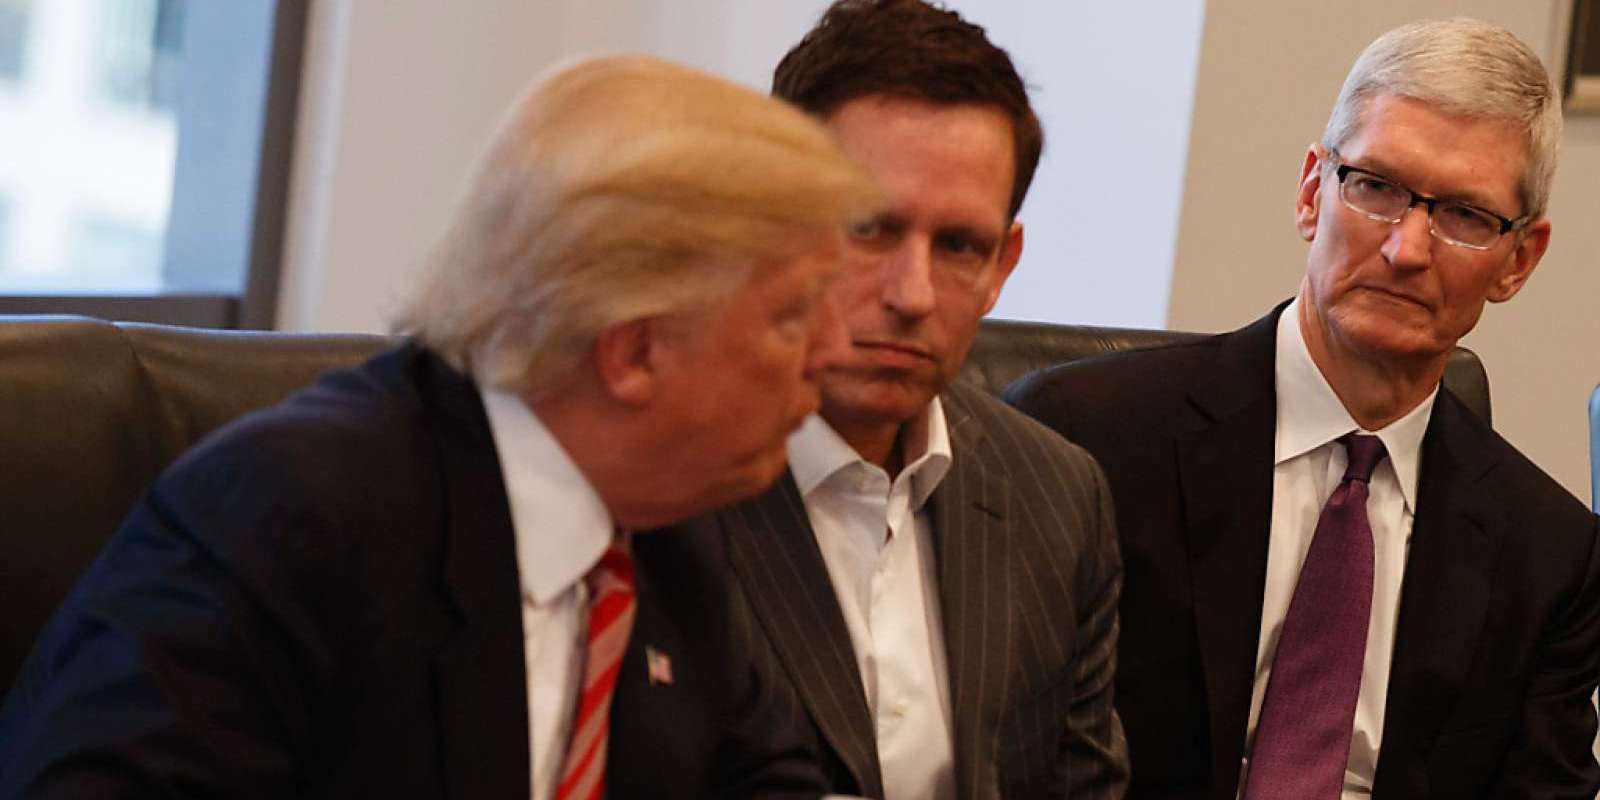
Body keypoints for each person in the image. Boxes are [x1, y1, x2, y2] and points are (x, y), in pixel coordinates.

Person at [0, 55, 882, 799]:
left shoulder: (665, 537)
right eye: (792, 315)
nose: (831, 349)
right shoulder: (291, 516)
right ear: (633, 351)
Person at [1008, 18, 1600, 799]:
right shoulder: (1085, 440)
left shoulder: (1549, 557)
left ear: (1518, 260)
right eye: (1376, 187)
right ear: (1313, 193)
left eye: (1464, 215)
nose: (1406, 249)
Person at [697, 2, 1128, 798]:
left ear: (1002, 265)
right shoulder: (662, 478)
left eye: (960, 245)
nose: (913, 294)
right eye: (869, 228)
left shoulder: (1059, 497)